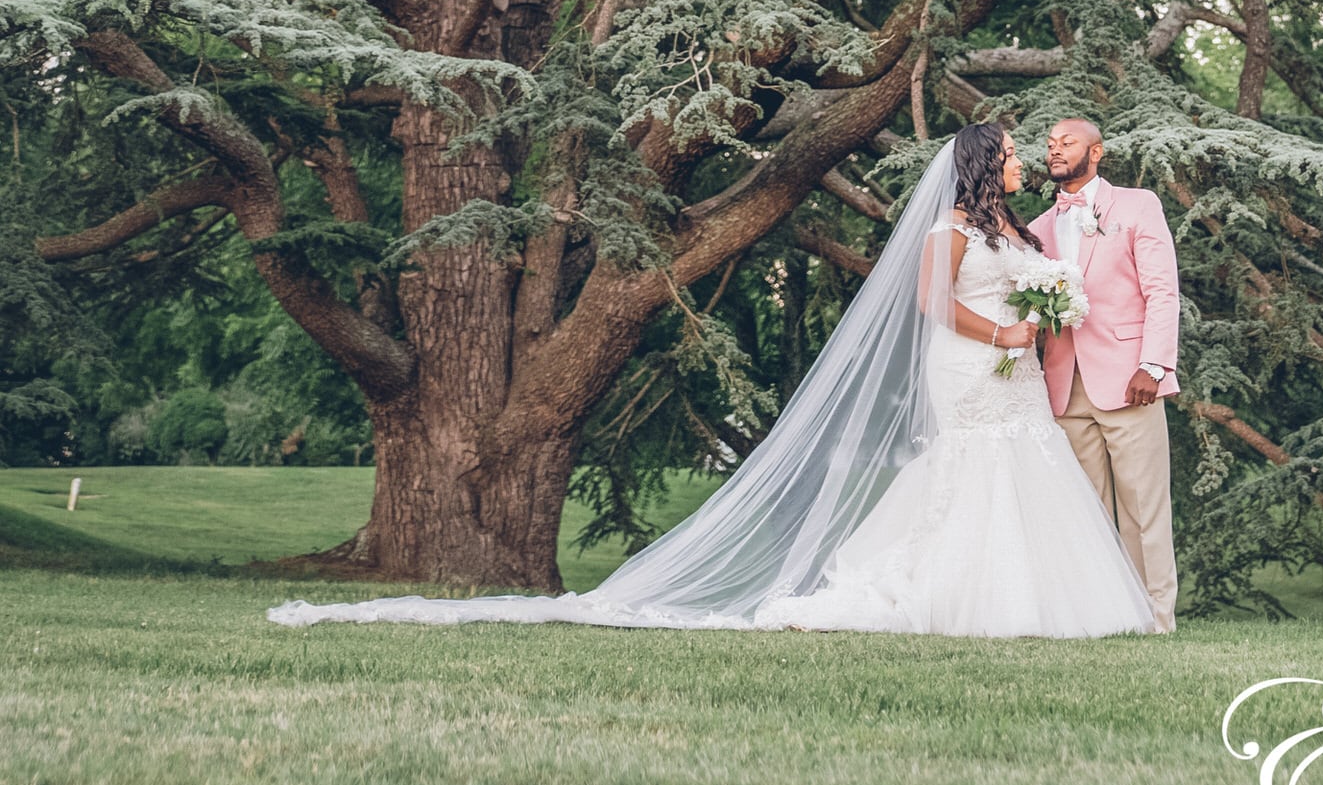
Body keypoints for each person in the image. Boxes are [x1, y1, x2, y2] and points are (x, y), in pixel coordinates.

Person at [269, 124, 1153, 641]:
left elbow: (1039, 282)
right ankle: (953, 595)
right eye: (1007, 154)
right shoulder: (952, 226)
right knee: (970, 470)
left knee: (1021, 468)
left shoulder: (1018, 228)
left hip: (1012, 370)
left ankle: (1044, 599)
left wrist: (1038, 311)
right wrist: (1004, 326)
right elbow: (931, 302)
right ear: (978, 165)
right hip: (970, 364)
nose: (1020, 162)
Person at [1028, 117, 1181, 632]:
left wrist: (1153, 365)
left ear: (1096, 152)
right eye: (1050, 145)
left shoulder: (1138, 205)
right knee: (1084, 511)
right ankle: (1098, 615)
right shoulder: (1039, 228)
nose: (1055, 150)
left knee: (1143, 508)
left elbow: (1163, 290)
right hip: (1063, 387)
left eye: (1066, 142)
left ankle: (1157, 619)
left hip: (1128, 381)